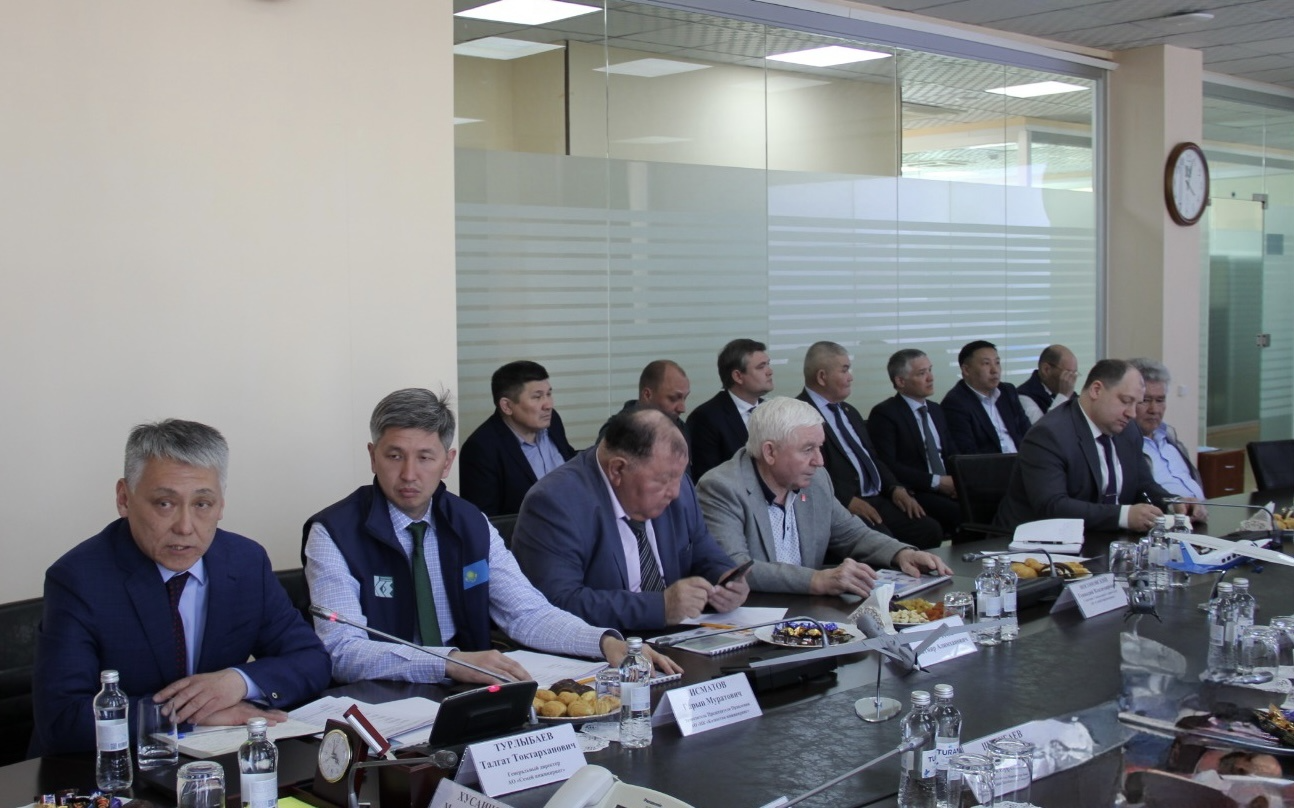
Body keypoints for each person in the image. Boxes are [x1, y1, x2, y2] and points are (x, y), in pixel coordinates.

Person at [303, 389, 677, 685]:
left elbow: (527, 613)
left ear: (447, 462)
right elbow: (343, 650)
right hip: (385, 700)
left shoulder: (471, 524)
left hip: (470, 693)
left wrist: (604, 642)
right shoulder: (333, 533)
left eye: (425, 457)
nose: (409, 474)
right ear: (373, 457)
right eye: (395, 456)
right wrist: (449, 662)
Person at [32, 420, 331, 756]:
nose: (185, 527)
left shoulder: (245, 562)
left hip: (218, 763)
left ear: (221, 504)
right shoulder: (79, 579)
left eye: (202, 504)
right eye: (165, 503)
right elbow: (62, 719)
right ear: (124, 498)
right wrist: (188, 715)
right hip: (109, 770)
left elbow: (311, 660)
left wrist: (236, 682)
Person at [512, 408, 749, 631]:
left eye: (679, 476)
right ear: (617, 470)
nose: (675, 492)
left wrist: (726, 580)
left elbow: (703, 550)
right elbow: (558, 602)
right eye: (664, 480)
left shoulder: (680, 489)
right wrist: (660, 607)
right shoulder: (555, 502)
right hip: (605, 648)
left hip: (680, 638)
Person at [697, 397, 951, 595]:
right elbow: (736, 568)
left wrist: (901, 554)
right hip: (753, 612)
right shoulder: (722, 487)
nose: (819, 461)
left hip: (807, 612)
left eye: (819, 447)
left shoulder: (816, 480)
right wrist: (815, 580)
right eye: (808, 449)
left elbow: (852, 534)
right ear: (770, 452)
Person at [993, 359, 1175, 533]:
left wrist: (1172, 503)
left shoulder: (1128, 431)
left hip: (1102, 539)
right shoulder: (1049, 435)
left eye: (1137, 403)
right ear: (1096, 390)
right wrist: (1123, 516)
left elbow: (1142, 483)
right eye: (1126, 401)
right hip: (1034, 543)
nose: (1132, 413)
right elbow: (1053, 506)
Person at [796, 341, 943, 550]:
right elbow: (806, 471)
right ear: (822, 377)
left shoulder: (849, 411)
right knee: (884, 542)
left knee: (929, 530)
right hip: (842, 503)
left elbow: (873, 458)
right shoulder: (800, 415)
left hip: (877, 496)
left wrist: (895, 487)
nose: (851, 377)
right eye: (844, 370)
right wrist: (846, 500)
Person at [459, 361, 578, 516]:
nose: (548, 405)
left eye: (548, 394)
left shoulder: (552, 421)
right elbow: (485, 520)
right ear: (507, 406)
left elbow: (569, 459)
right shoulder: (481, 450)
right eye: (537, 397)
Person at [866, 349, 963, 534]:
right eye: (922, 373)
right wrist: (937, 482)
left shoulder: (936, 410)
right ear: (900, 381)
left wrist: (959, 481)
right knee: (961, 512)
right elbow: (888, 465)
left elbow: (952, 453)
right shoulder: (885, 413)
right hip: (917, 490)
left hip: (949, 486)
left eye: (930, 370)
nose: (930, 378)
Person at [1129, 357, 1208, 521]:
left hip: (1201, 516)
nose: (1154, 409)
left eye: (1160, 400)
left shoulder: (1170, 438)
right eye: (1145, 400)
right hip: (1165, 523)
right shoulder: (1125, 446)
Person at [688, 339, 775, 482]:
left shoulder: (773, 411)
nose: (770, 372)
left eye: (768, 364)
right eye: (761, 367)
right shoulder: (706, 418)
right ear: (738, 376)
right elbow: (708, 479)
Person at [941, 340, 1033, 455]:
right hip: (993, 465)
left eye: (997, 363)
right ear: (966, 370)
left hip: (1024, 461)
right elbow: (968, 455)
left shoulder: (1007, 391)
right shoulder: (955, 403)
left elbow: (1029, 434)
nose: (994, 370)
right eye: (986, 363)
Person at [1018, 345, 1080, 424]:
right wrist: (1063, 396)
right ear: (1046, 370)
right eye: (1068, 373)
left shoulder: (1071, 394)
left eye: (1074, 374)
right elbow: (1042, 428)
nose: (1072, 380)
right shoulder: (1024, 396)